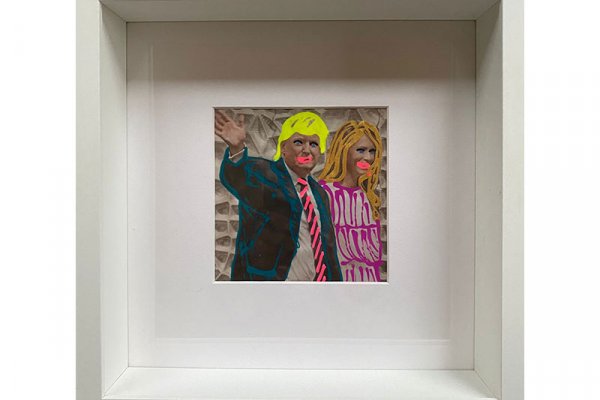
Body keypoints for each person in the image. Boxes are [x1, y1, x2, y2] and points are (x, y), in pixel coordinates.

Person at [215, 110, 343, 281]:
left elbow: (328, 248)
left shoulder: (319, 193)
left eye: (313, 144)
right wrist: (237, 149)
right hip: (268, 287)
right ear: (283, 148)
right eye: (299, 142)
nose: (307, 150)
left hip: (315, 288)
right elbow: (237, 177)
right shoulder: (263, 173)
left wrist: (335, 287)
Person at [319, 120, 384, 282]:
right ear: (344, 151)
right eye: (360, 150)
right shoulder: (324, 193)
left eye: (372, 151)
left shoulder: (368, 196)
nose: (368, 157)